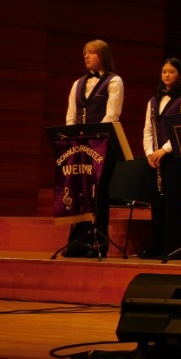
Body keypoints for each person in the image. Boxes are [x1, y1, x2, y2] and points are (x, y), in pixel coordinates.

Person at [63, 39, 124, 257]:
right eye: (85, 53)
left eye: (91, 52)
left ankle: (98, 244)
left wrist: (92, 137)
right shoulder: (77, 84)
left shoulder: (114, 81)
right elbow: (71, 116)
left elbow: (112, 116)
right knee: (80, 193)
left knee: (98, 193)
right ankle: (78, 243)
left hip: (102, 146)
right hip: (80, 147)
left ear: (103, 56)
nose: (86, 56)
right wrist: (72, 140)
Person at [141, 57, 181, 259]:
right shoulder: (153, 101)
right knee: (157, 201)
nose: (167, 75)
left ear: (179, 75)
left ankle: (174, 248)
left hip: (174, 156)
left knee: (172, 200)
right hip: (155, 157)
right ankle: (156, 245)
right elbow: (148, 130)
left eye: (171, 72)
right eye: (164, 71)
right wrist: (149, 153)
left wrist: (163, 150)